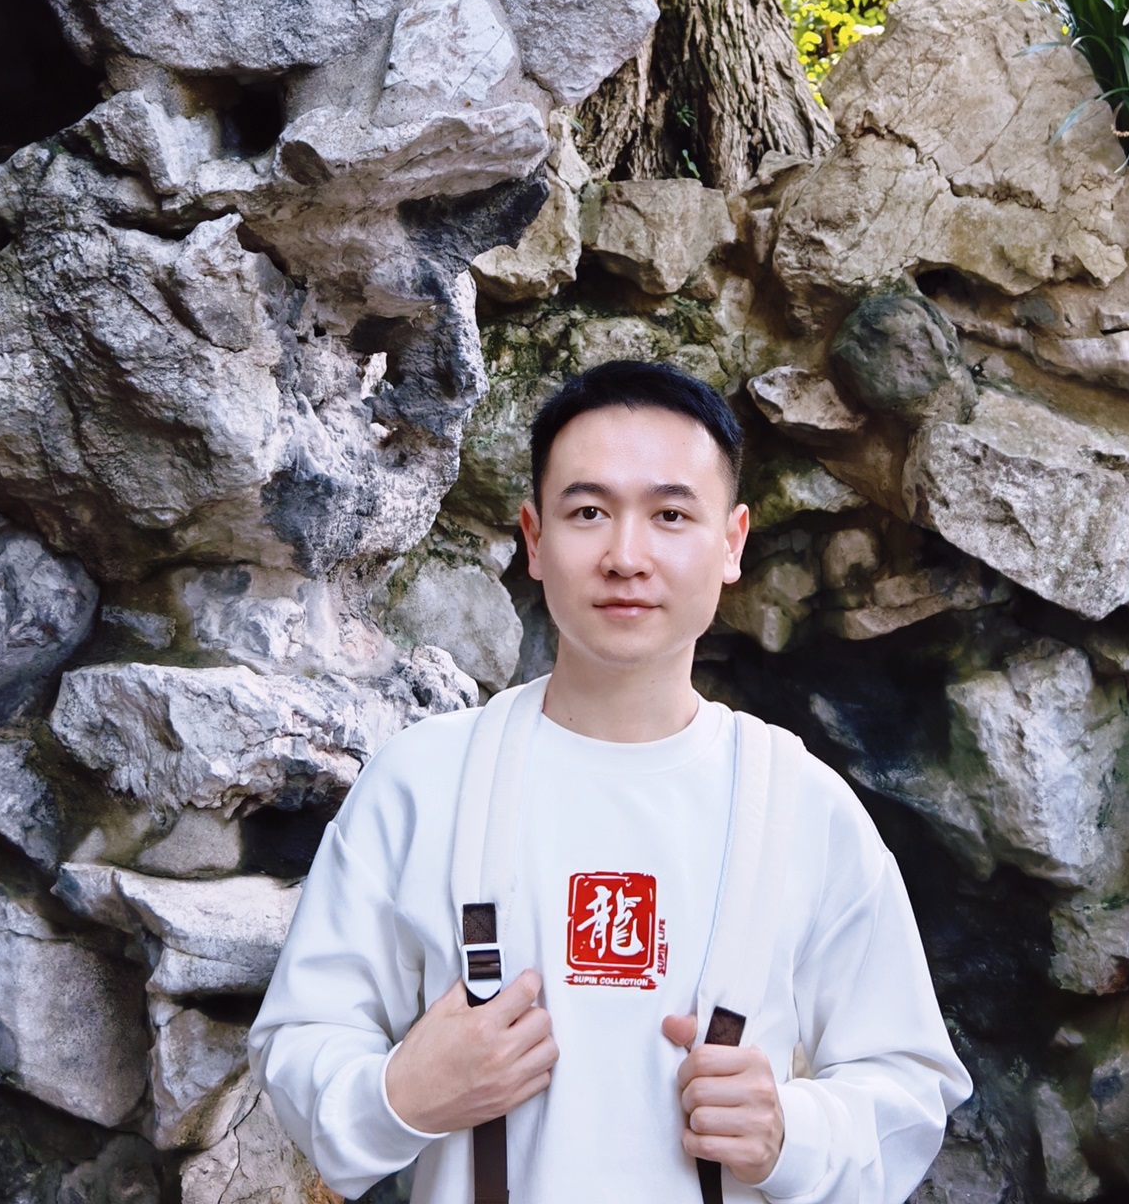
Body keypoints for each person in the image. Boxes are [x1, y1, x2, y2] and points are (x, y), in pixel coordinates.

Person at [250, 359, 972, 1202]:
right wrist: (400, 1096)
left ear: (732, 542)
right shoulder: (423, 782)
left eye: (671, 514)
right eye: (588, 512)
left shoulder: (804, 806)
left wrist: (790, 1131)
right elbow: (299, 1040)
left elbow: (910, 1086)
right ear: (535, 538)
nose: (626, 557)